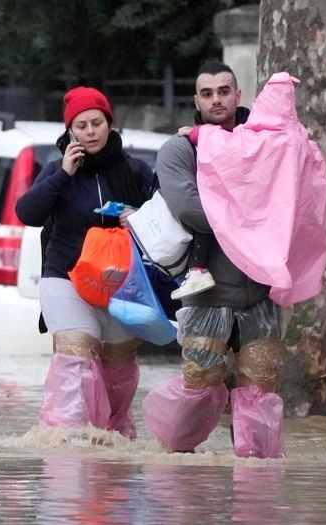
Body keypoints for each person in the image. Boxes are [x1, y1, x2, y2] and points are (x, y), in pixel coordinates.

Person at [149, 61, 288, 458]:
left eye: (223, 91)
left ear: (238, 94)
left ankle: (258, 497)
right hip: (205, 293)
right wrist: (251, 213)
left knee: (259, 391)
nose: (216, 100)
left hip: (260, 292)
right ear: (196, 100)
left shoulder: (264, 142)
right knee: (198, 387)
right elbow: (189, 208)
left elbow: (289, 192)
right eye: (206, 93)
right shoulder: (179, 149)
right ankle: (175, 480)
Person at [15, 86, 155, 440]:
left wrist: (138, 218)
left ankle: (111, 437)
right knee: (75, 356)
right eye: (81, 125)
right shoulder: (56, 171)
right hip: (65, 278)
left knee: (117, 370)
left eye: (97, 122)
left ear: (109, 124)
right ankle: (62, 438)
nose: (90, 131)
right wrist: (64, 174)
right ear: (70, 131)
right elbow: (27, 212)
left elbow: (162, 223)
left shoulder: (136, 171)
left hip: (122, 284)